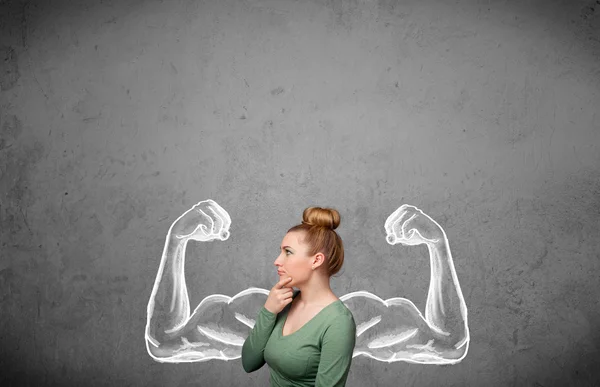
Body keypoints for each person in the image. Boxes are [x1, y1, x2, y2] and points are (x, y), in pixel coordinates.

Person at [241, 206, 356, 387]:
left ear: (316, 260)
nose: (277, 261)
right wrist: (268, 311)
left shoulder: (338, 322)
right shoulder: (284, 302)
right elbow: (248, 362)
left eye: (288, 252)